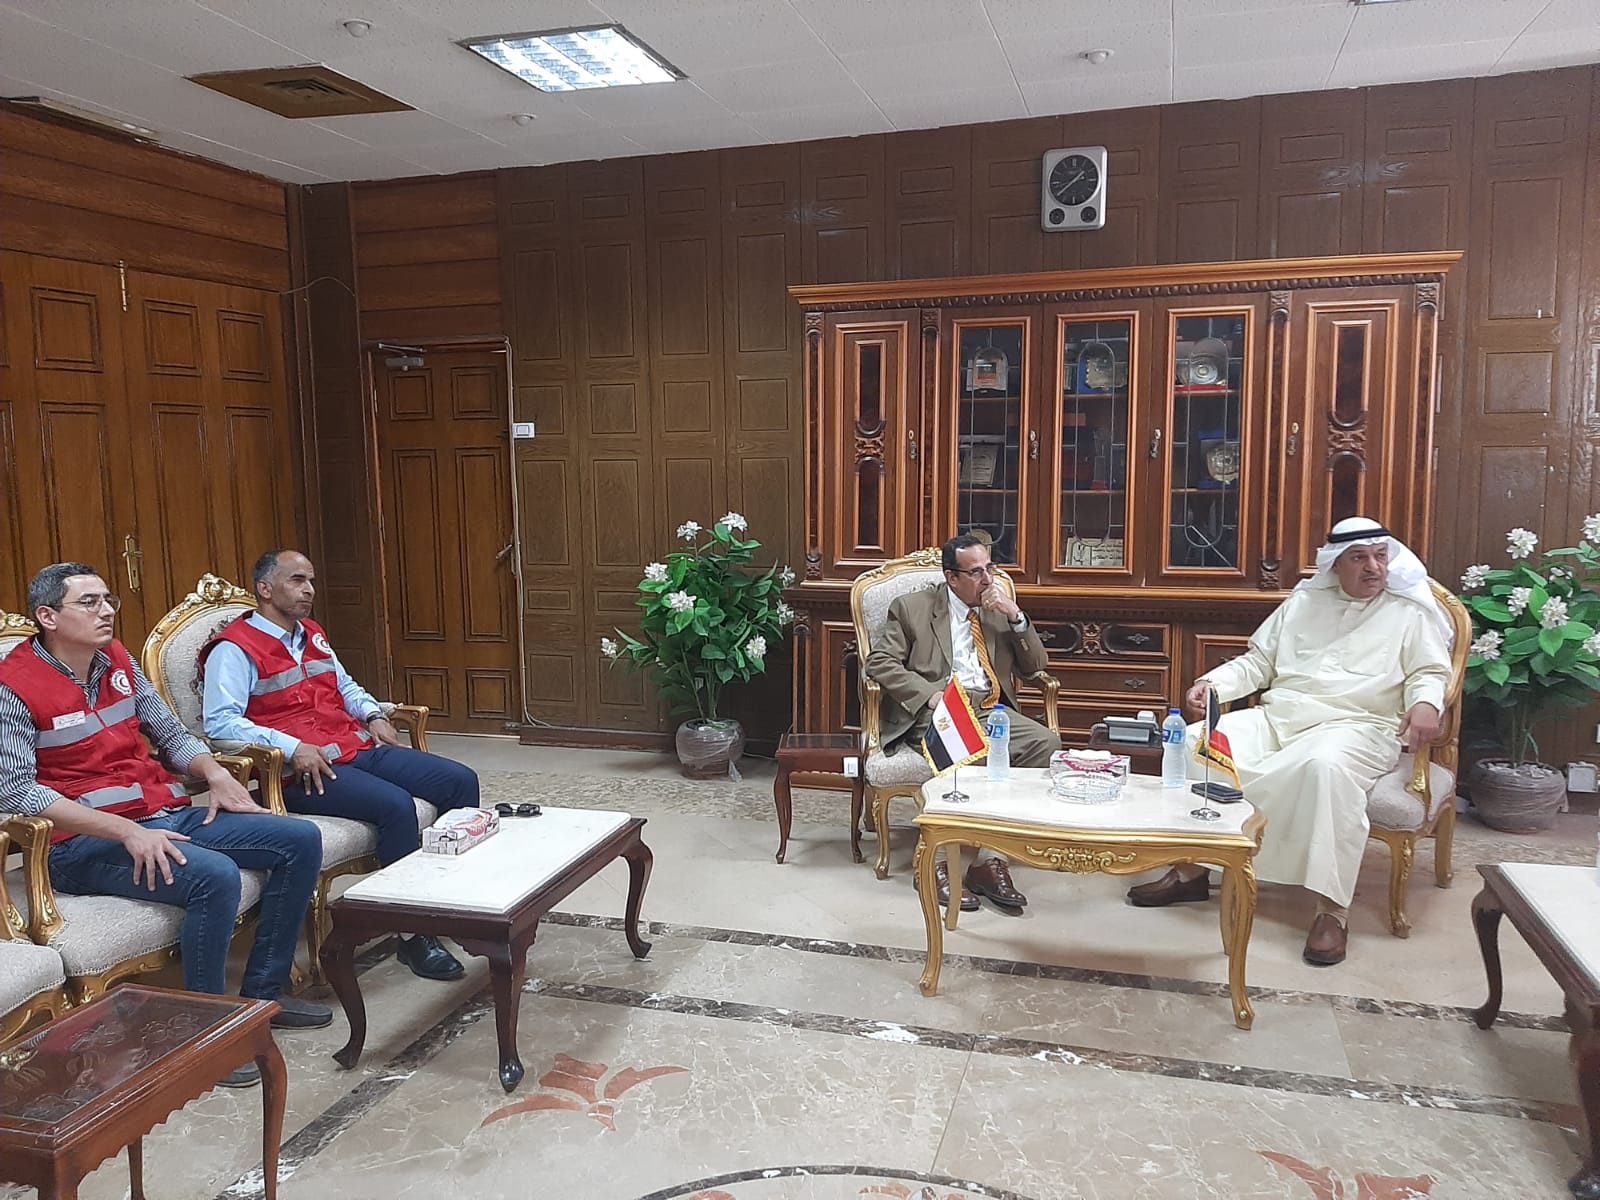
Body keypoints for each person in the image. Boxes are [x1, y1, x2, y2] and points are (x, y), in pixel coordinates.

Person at [0, 562, 332, 1088]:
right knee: (214, 876)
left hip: (161, 810)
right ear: (48, 616)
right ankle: (203, 1034)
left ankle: (262, 995)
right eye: (89, 602)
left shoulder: (117, 659)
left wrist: (215, 774)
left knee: (299, 839)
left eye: (108, 599)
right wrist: (126, 832)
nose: (107, 611)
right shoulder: (13, 685)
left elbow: (171, 734)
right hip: (81, 844)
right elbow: (17, 791)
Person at [1126, 517, 1452, 966]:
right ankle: (1192, 869)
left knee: (1323, 767)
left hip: (1357, 726)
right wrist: (1212, 683)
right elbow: (1258, 663)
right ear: (1335, 565)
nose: (1374, 567)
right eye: (1359, 558)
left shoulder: (1408, 612)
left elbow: (1429, 672)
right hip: (1280, 719)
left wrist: (1426, 703)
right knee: (1197, 741)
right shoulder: (1304, 603)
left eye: (1380, 557)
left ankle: (1332, 910)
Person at [201, 550, 483, 983]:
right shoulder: (234, 648)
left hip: (352, 745)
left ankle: (444, 903)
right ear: (265, 588)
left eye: (311, 580)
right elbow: (220, 723)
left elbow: (344, 686)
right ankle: (412, 935)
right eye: (297, 580)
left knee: (459, 781)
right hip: (300, 771)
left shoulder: (311, 633)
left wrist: (372, 714)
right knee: (395, 806)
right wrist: (292, 746)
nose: (309, 590)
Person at [865, 533, 1060, 913]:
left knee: (1045, 745)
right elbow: (880, 662)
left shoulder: (997, 606)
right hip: (938, 708)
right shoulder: (912, 608)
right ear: (952, 577)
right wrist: (929, 695)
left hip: (990, 707)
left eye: (990, 568)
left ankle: (989, 859)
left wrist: (1015, 616)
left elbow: (1036, 666)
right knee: (968, 749)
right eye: (976, 572)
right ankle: (935, 861)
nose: (987, 579)